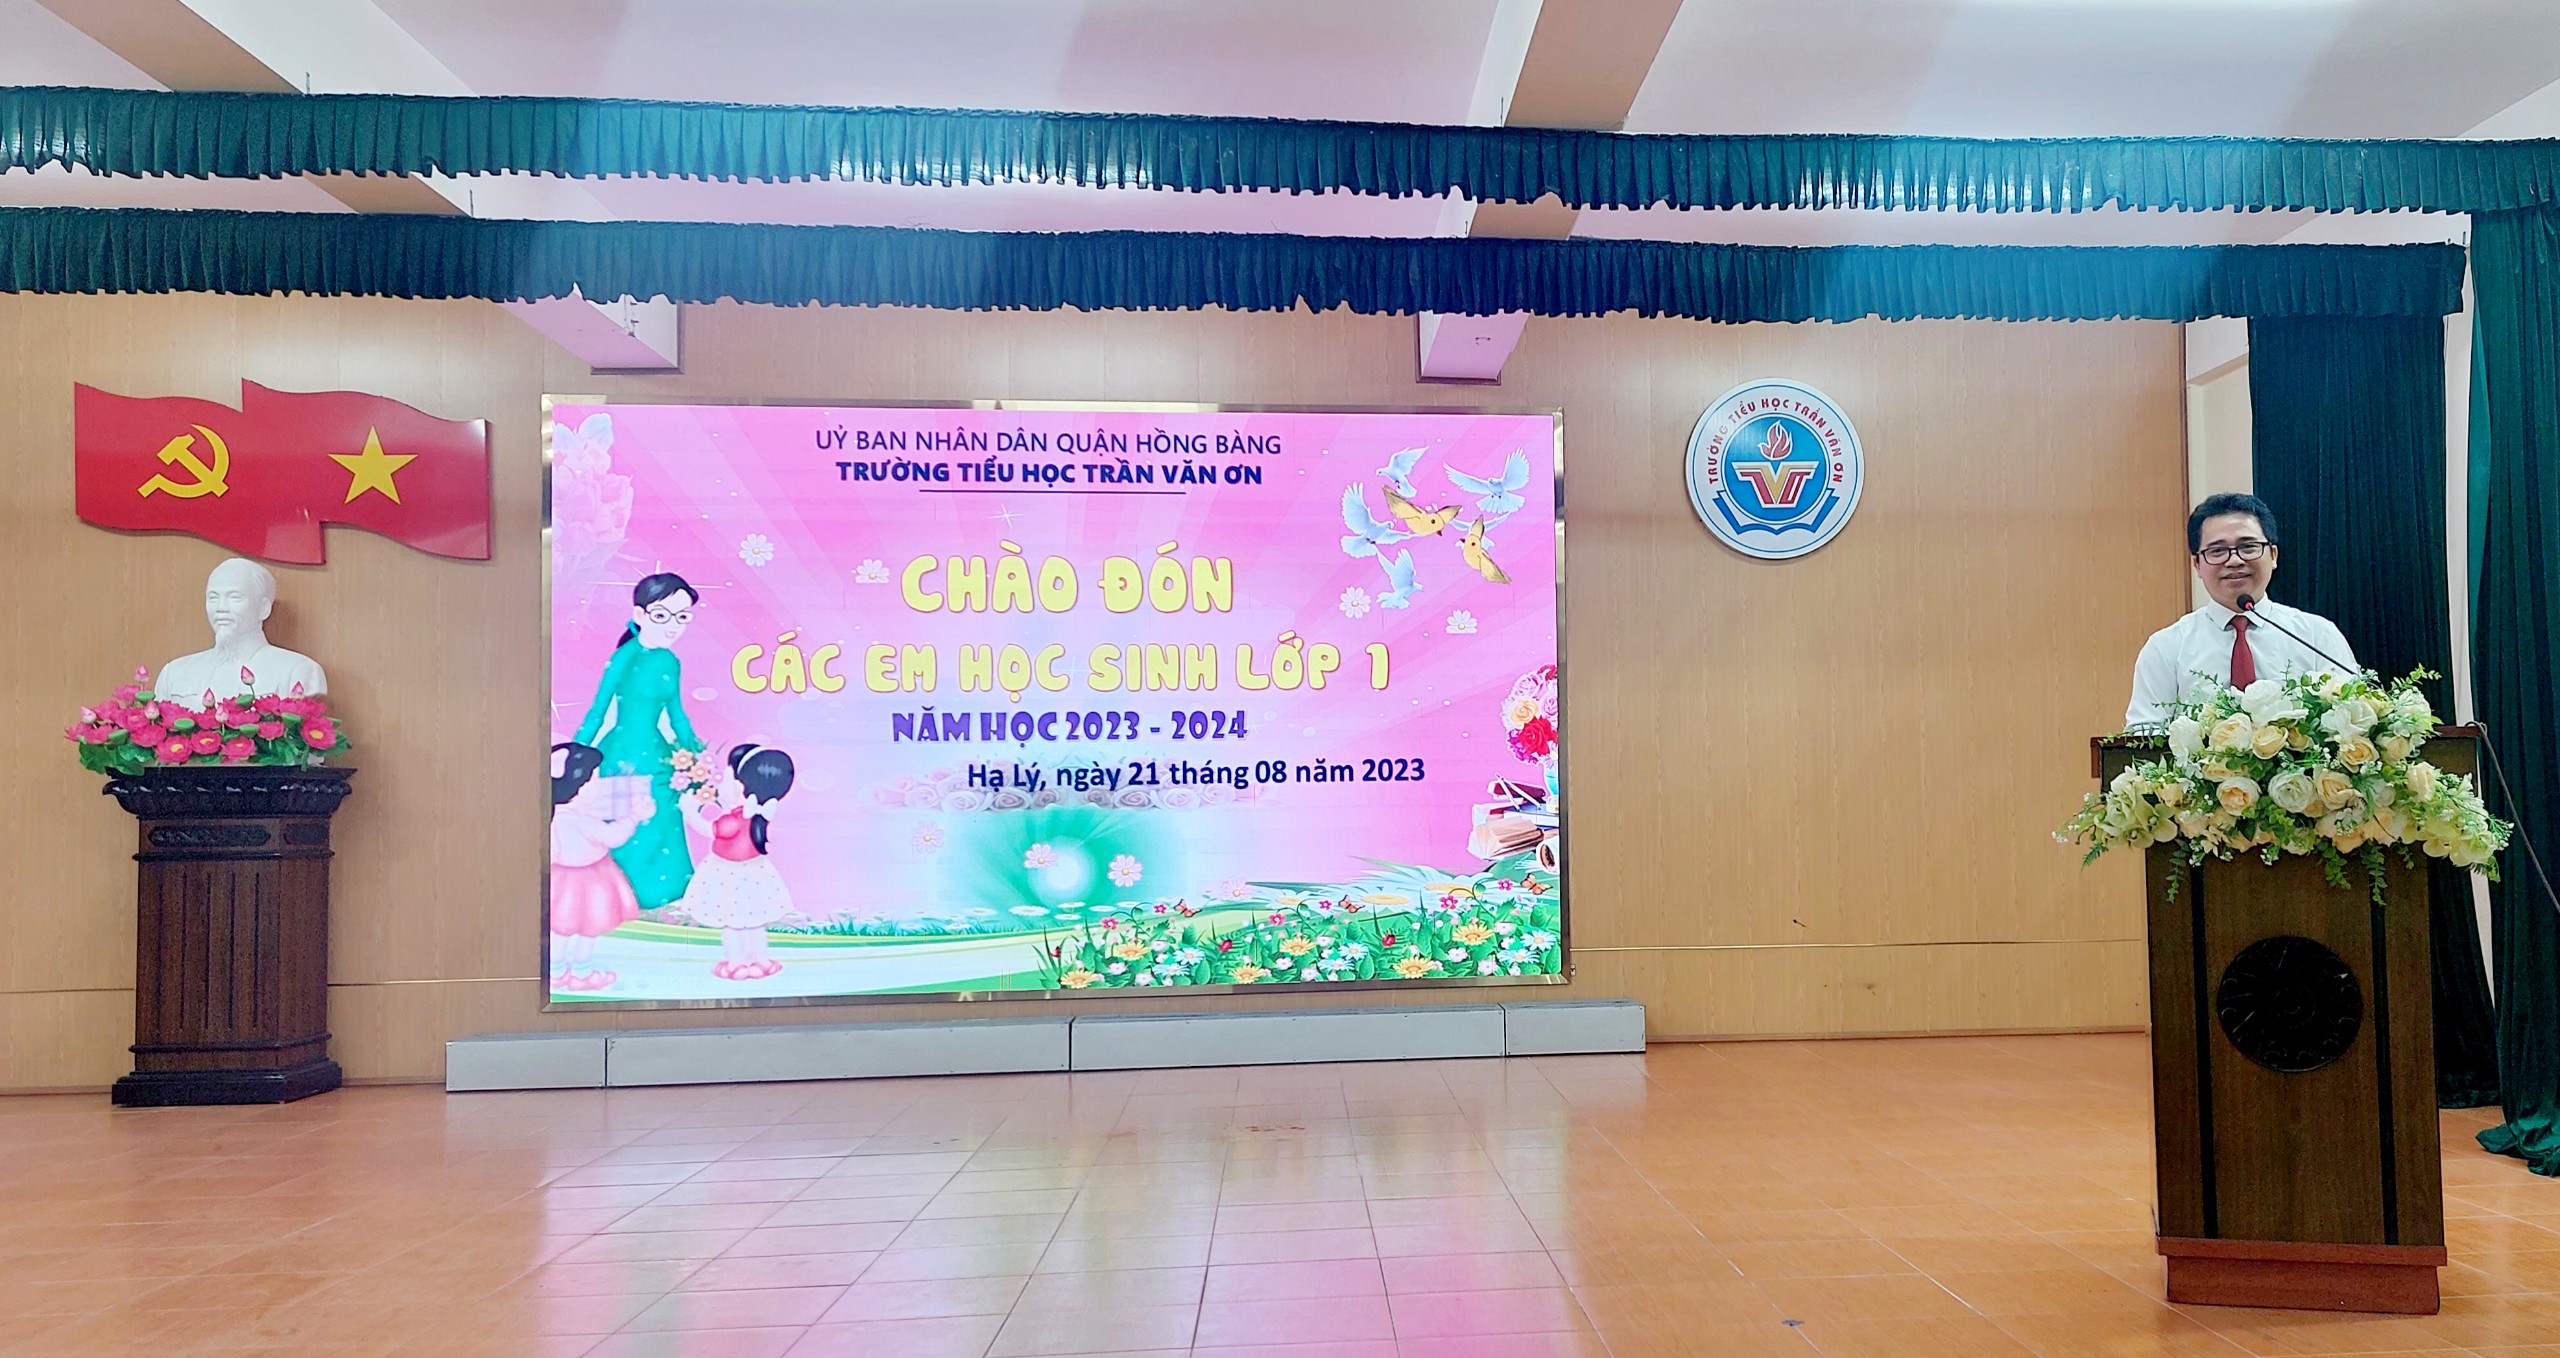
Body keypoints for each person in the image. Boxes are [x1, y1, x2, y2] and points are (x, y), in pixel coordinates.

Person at [2125, 493, 2359, 727]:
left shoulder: (2317, 635)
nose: (2234, 560)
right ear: (2197, 564)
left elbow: (2354, 718)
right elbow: (2143, 733)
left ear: (2273, 555)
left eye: (2248, 547)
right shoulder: (2166, 647)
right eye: (2217, 551)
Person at [570, 573, 703, 908]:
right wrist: (573, 757)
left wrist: (696, 757)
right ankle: (622, 900)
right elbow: (597, 711)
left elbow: (677, 715)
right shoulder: (624, 657)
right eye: (662, 615)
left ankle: (666, 900)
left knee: (664, 822)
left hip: (658, 755)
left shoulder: (670, 660)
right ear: (640, 614)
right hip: (622, 756)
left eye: (682, 617)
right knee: (626, 828)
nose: (673, 626)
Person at [670, 744, 798, 981]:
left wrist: (690, 812)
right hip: (755, 874)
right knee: (754, 923)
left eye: (726, 778)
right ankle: (761, 960)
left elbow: (707, 829)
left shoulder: (734, 820)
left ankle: (737, 963)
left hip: (729, 876)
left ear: (742, 787)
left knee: (733, 923)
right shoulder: (757, 816)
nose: (720, 784)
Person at [547, 742, 653, 992]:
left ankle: (556, 970)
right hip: (592, 880)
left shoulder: (555, 817)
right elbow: (614, 837)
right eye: (593, 781)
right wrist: (634, 816)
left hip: (561, 879)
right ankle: (582, 972)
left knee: (561, 927)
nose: (597, 789)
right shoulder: (582, 820)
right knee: (589, 927)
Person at [156, 558, 328, 700]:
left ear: (263, 608)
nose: (221, 608)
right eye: (213, 598)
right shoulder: (174, 674)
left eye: (235, 597)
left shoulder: (298, 672)